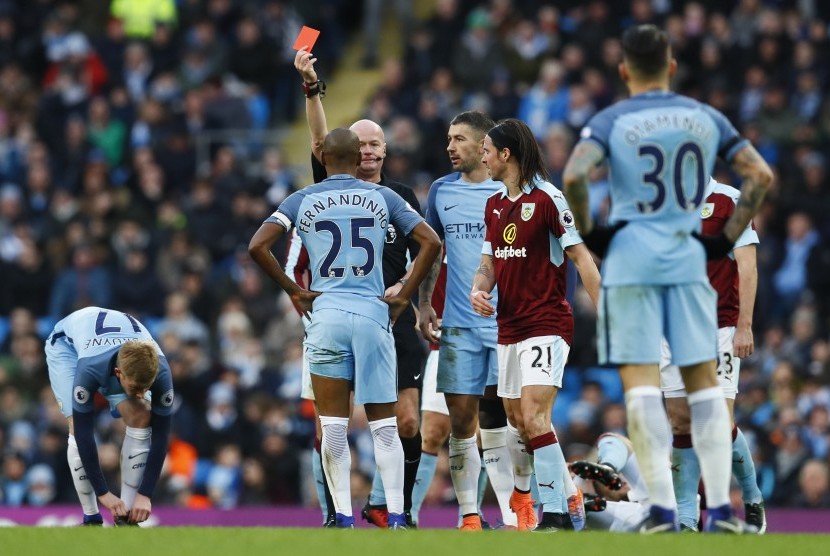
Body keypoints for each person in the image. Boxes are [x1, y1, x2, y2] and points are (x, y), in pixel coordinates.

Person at [562, 24, 773, 533]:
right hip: (681, 294)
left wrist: (597, 235)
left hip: (670, 296)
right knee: (683, 416)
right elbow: (762, 175)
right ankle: (689, 514)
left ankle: (732, 505)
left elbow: (573, 177)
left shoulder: (614, 122)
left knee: (676, 407)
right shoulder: (705, 120)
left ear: (622, 70)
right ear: (672, 66)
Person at [248, 128, 441, 529]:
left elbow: (257, 245)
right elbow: (431, 243)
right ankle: (400, 516)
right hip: (373, 316)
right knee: (385, 426)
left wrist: (294, 290)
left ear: (322, 159)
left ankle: (342, 517)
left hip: (327, 316)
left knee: (333, 425)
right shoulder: (384, 196)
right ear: (357, 160)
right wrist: (405, 293)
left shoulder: (303, 198)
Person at [295, 47, 426, 527]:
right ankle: (335, 512)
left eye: (376, 145)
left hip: (390, 316)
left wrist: (413, 296)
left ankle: (389, 506)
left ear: (386, 151)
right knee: (329, 423)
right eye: (362, 145)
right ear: (347, 152)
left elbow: (427, 253)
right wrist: (312, 86)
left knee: (404, 421)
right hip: (336, 313)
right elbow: (316, 135)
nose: (368, 151)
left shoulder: (400, 197)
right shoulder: (328, 182)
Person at [471, 118, 601, 531]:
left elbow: (582, 258)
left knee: (533, 415)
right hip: (508, 327)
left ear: (506, 155)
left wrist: (610, 319)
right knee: (519, 423)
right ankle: (570, 494)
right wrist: (479, 289)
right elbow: (488, 263)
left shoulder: (548, 198)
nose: (482, 157)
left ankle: (556, 514)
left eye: (487, 150)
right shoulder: (493, 204)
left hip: (546, 321)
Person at [417, 110, 517, 531]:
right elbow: (429, 253)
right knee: (461, 424)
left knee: (510, 421)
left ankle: (518, 512)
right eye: (448, 138)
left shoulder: (513, 192)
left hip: (507, 326)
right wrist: (424, 304)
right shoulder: (440, 191)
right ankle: (470, 516)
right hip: (457, 328)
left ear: (483, 146)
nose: (450, 147)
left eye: (459, 139)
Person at [660, 177, 765, 532]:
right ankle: (688, 516)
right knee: (680, 421)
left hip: (718, 325)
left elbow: (747, 265)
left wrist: (744, 325)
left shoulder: (729, 200)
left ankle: (751, 497)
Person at [44, 306, 174, 526]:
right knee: (76, 424)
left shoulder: (161, 373)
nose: (142, 393)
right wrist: (103, 493)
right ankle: (91, 517)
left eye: (147, 386)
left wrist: (146, 494)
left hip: (110, 350)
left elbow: (161, 436)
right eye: (136, 387)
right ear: (118, 374)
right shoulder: (90, 369)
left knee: (142, 414)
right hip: (67, 348)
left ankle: (127, 517)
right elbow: (85, 433)